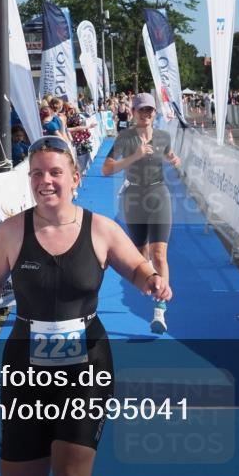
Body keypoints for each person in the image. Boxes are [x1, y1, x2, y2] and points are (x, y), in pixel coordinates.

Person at [0, 136, 171, 476]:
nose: (45, 181)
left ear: (75, 178)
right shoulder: (12, 232)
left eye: (55, 172)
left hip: (88, 363)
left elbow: (137, 267)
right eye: (36, 174)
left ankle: (69, 441)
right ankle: (51, 435)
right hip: (25, 362)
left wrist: (152, 281)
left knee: (70, 474)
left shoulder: (101, 229)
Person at [101, 93, 181, 334]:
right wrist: (135, 156)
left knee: (159, 255)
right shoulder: (125, 138)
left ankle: (159, 311)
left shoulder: (163, 137)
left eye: (150, 110)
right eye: (141, 110)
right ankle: (151, 281)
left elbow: (167, 154)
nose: (146, 115)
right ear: (133, 113)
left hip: (158, 195)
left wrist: (173, 159)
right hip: (133, 198)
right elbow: (106, 169)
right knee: (140, 255)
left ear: (154, 113)